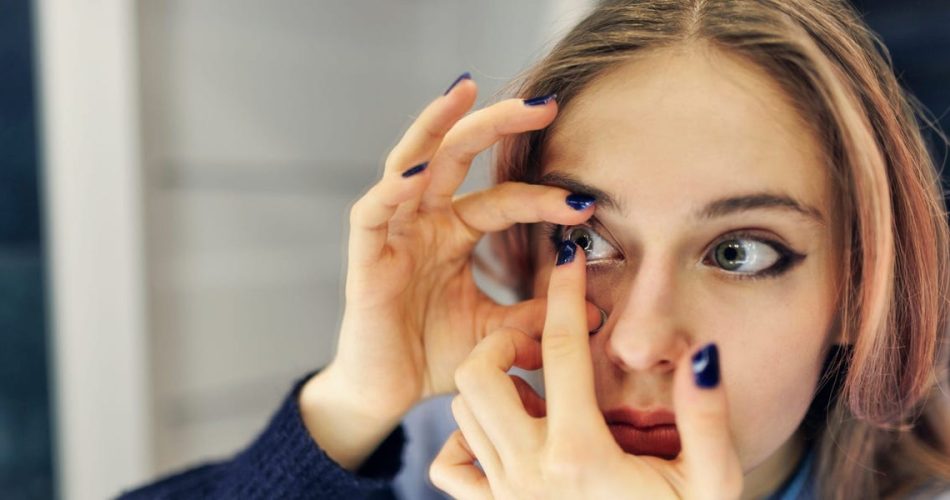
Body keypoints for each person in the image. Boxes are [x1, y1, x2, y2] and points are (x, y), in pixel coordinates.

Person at [120, 0, 950, 498]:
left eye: (739, 252)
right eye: (585, 240)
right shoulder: (431, 462)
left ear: (860, 288)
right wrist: (353, 402)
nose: (637, 341)